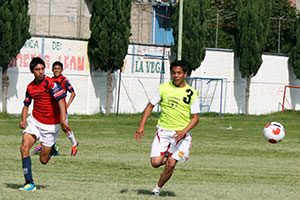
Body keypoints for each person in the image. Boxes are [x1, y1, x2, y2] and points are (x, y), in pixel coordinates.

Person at [134, 60, 200, 196]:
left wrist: (184, 131)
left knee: (170, 164)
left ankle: (156, 190)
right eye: (173, 73)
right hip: (163, 131)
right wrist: (141, 125)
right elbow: (150, 106)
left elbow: (195, 117)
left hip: (181, 135)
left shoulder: (191, 93)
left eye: (179, 73)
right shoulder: (163, 88)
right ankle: (170, 155)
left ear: (185, 74)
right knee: (155, 162)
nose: (175, 76)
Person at [19, 57, 72, 191]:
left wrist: (63, 121)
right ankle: (29, 183)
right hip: (35, 121)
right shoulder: (30, 87)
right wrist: (24, 120)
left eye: (42, 69)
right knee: (24, 149)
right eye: (37, 69)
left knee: (43, 160)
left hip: (50, 126)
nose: (41, 72)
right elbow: (26, 105)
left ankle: (52, 148)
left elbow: (61, 102)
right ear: (32, 71)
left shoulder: (51, 84)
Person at [34, 61, 78, 156]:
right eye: (55, 69)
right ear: (52, 70)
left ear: (62, 70)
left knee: (64, 127)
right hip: (52, 110)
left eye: (58, 69)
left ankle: (74, 144)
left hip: (62, 109)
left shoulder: (64, 80)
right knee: (46, 126)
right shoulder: (49, 80)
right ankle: (49, 145)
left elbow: (73, 93)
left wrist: (68, 104)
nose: (56, 70)